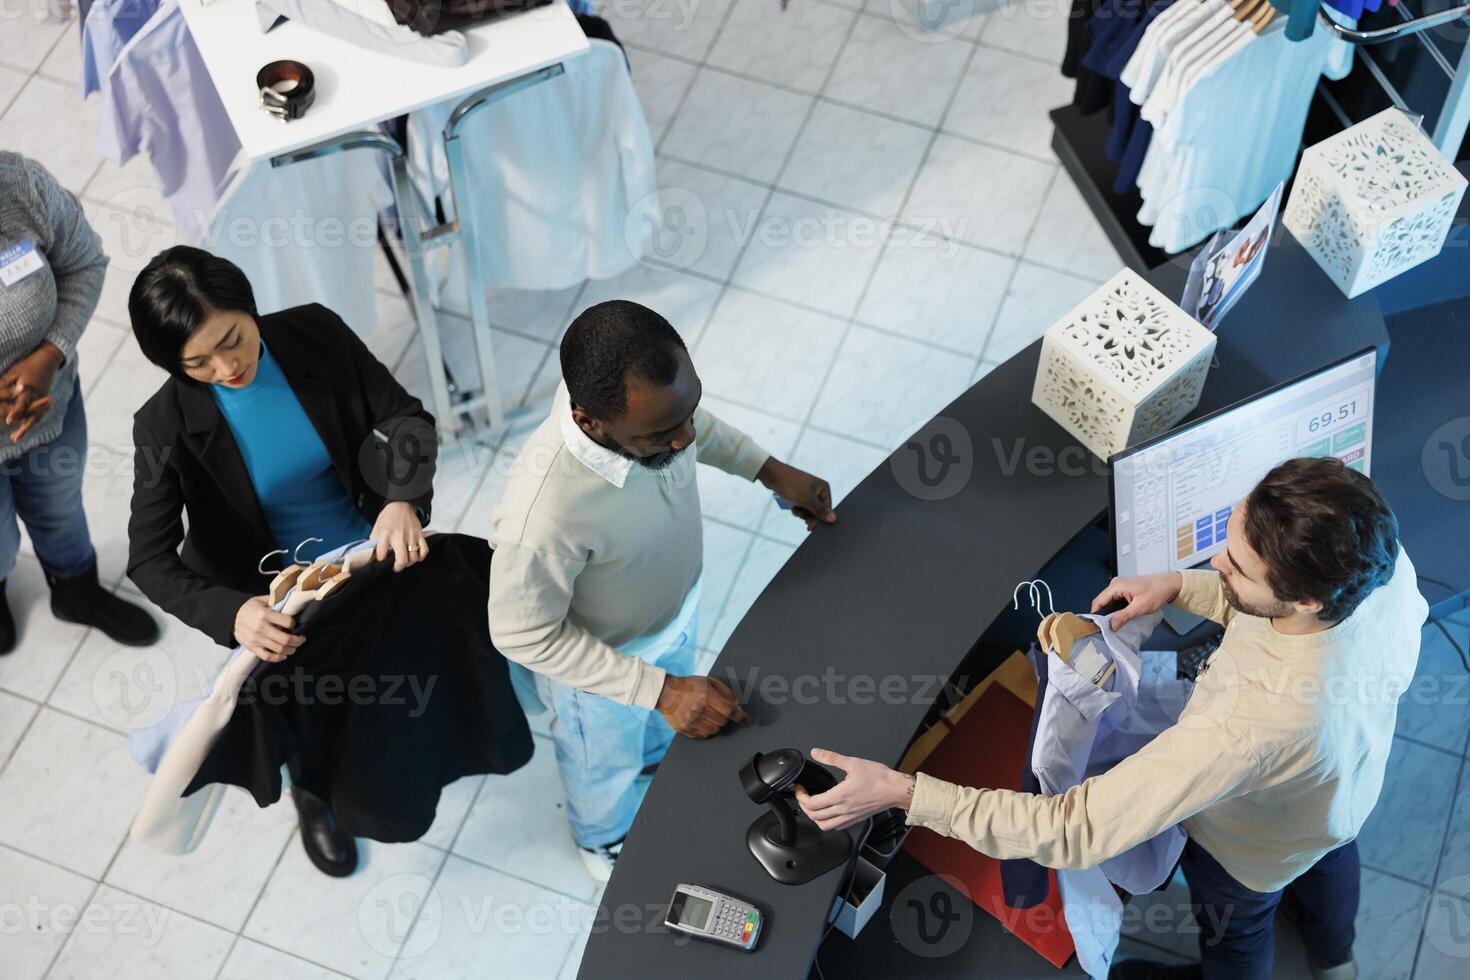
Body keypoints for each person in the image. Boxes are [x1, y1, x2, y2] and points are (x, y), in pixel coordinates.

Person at [794, 457, 1426, 980]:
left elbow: (1076, 829)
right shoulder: (1380, 563)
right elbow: (1286, 624)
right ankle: (1334, 956)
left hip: (1248, 849)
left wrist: (904, 793)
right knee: (1328, 856)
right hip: (1340, 791)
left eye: (1235, 566)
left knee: (1240, 929)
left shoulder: (1250, 726)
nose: (1216, 566)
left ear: (1306, 596)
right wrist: (1181, 588)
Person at [488, 299, 838, 882]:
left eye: (688, 416)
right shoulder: (542, 513)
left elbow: (699, 432)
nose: (683, 442)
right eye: (660, 436)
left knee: (650, 738)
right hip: (601, 673)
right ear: (589, 422)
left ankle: (654, 761)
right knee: (602, 764)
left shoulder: (651, 418)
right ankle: (601, 837)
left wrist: (769, 470)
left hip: (670, 615)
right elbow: (521, 631)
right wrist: (662, 690)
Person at [126, 246, 435, 877]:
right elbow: (149, 559)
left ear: (248, 306)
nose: (227, 366)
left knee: (390, 670)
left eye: (233, 340)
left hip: (368, 557)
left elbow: (404, 416)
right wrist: (233, 612)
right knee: (304, 710)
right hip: (276, 604)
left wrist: (403, 498)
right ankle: (314, 798)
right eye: (198, 363)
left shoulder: (314, 332)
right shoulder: (161, 427)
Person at [0, 151, 159, 653]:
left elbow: (84, 262)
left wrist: (51, 355)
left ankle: (76, 593)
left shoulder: (18, 184)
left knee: (61, 511)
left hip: (54, 408)